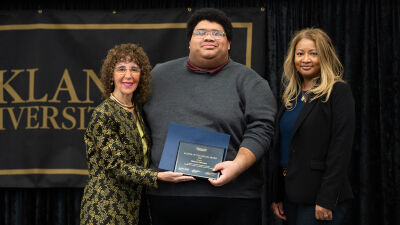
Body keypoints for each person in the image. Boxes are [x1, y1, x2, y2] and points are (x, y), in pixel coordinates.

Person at [143, 8, 277, 225]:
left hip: (233, 198)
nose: (208, 37)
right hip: (167, 197)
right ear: (189, 42)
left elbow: (262, 128)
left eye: (217, 33)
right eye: (201, 32)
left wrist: (238, 165)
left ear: (229, 43)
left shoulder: (251, 81)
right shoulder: (157, 75)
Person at [80, 43, 194, 225]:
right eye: (121, 69)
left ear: (141, 76)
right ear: (111, 75)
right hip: (106, 209)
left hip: (136, 206)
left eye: (134, 69)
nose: (128, 75)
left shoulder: (138, 111)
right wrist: (158, 176)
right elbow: (117, 166)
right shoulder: (104, 113)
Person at [268, 28, 355, 225]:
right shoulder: (291, 96)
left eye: (313, 53)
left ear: (325, 56)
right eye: (300, 54)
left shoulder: (338, 91)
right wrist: (277, 194)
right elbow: (283, 148)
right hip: (290, 196)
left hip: (320, 198)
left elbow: (340, 149)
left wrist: (326, 199)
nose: (305, 59)